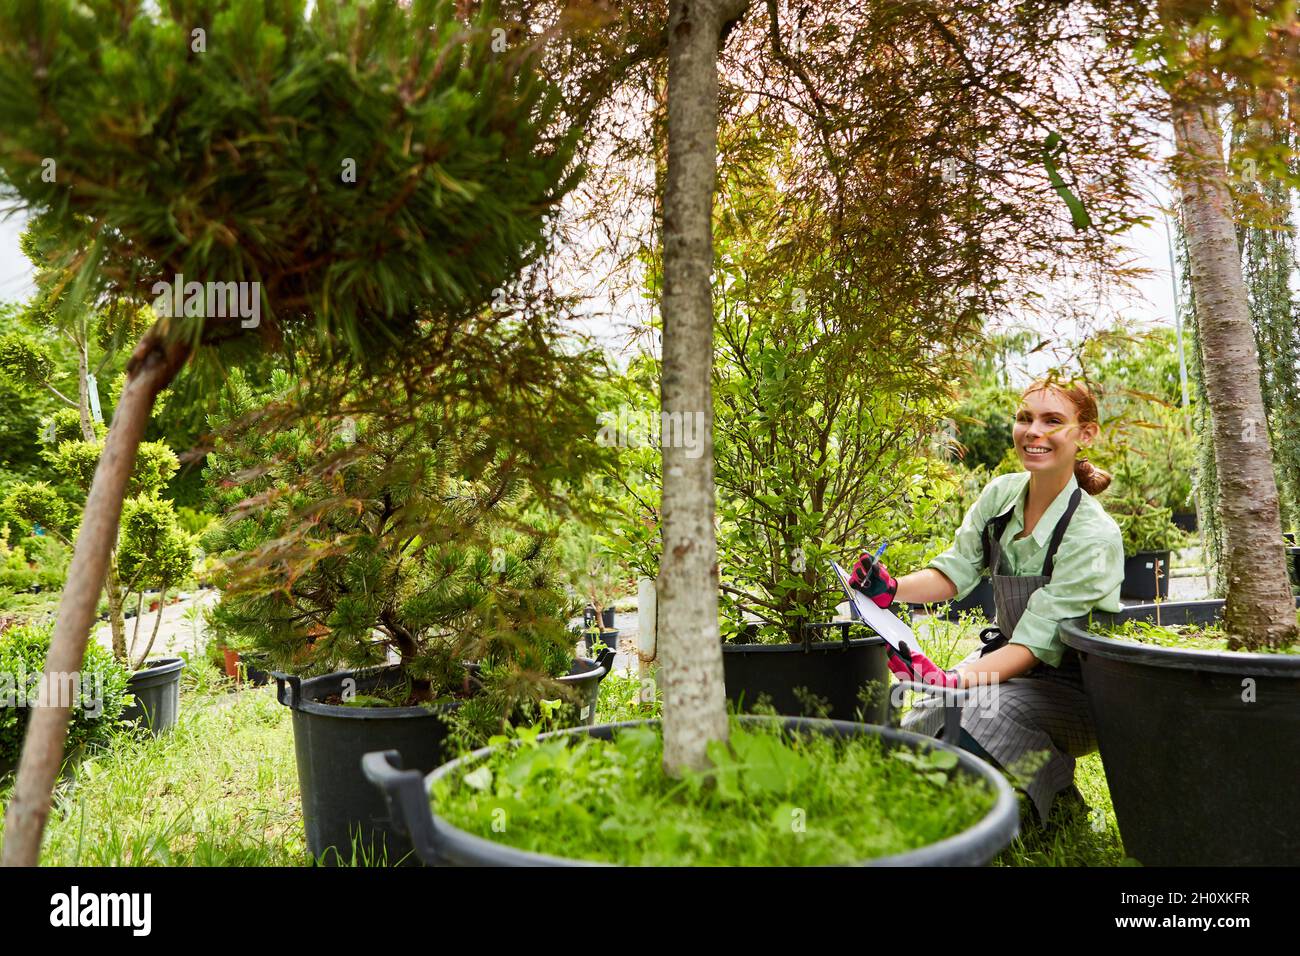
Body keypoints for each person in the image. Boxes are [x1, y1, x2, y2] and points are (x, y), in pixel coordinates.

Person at [849, 378, 1124, 827]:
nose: (1033, 431)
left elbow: (1035, 644)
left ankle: (1051, 808)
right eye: (1024, 418)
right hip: (1008, 663)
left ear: (1086, 434)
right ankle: (1017, 801)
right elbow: (954, 571)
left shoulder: (1092, 536)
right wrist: (892, 588)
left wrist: (952, 678)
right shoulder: (1001, 496)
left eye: (1052, 421)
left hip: (1076, 690)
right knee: (923, 719)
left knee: (977, 712)